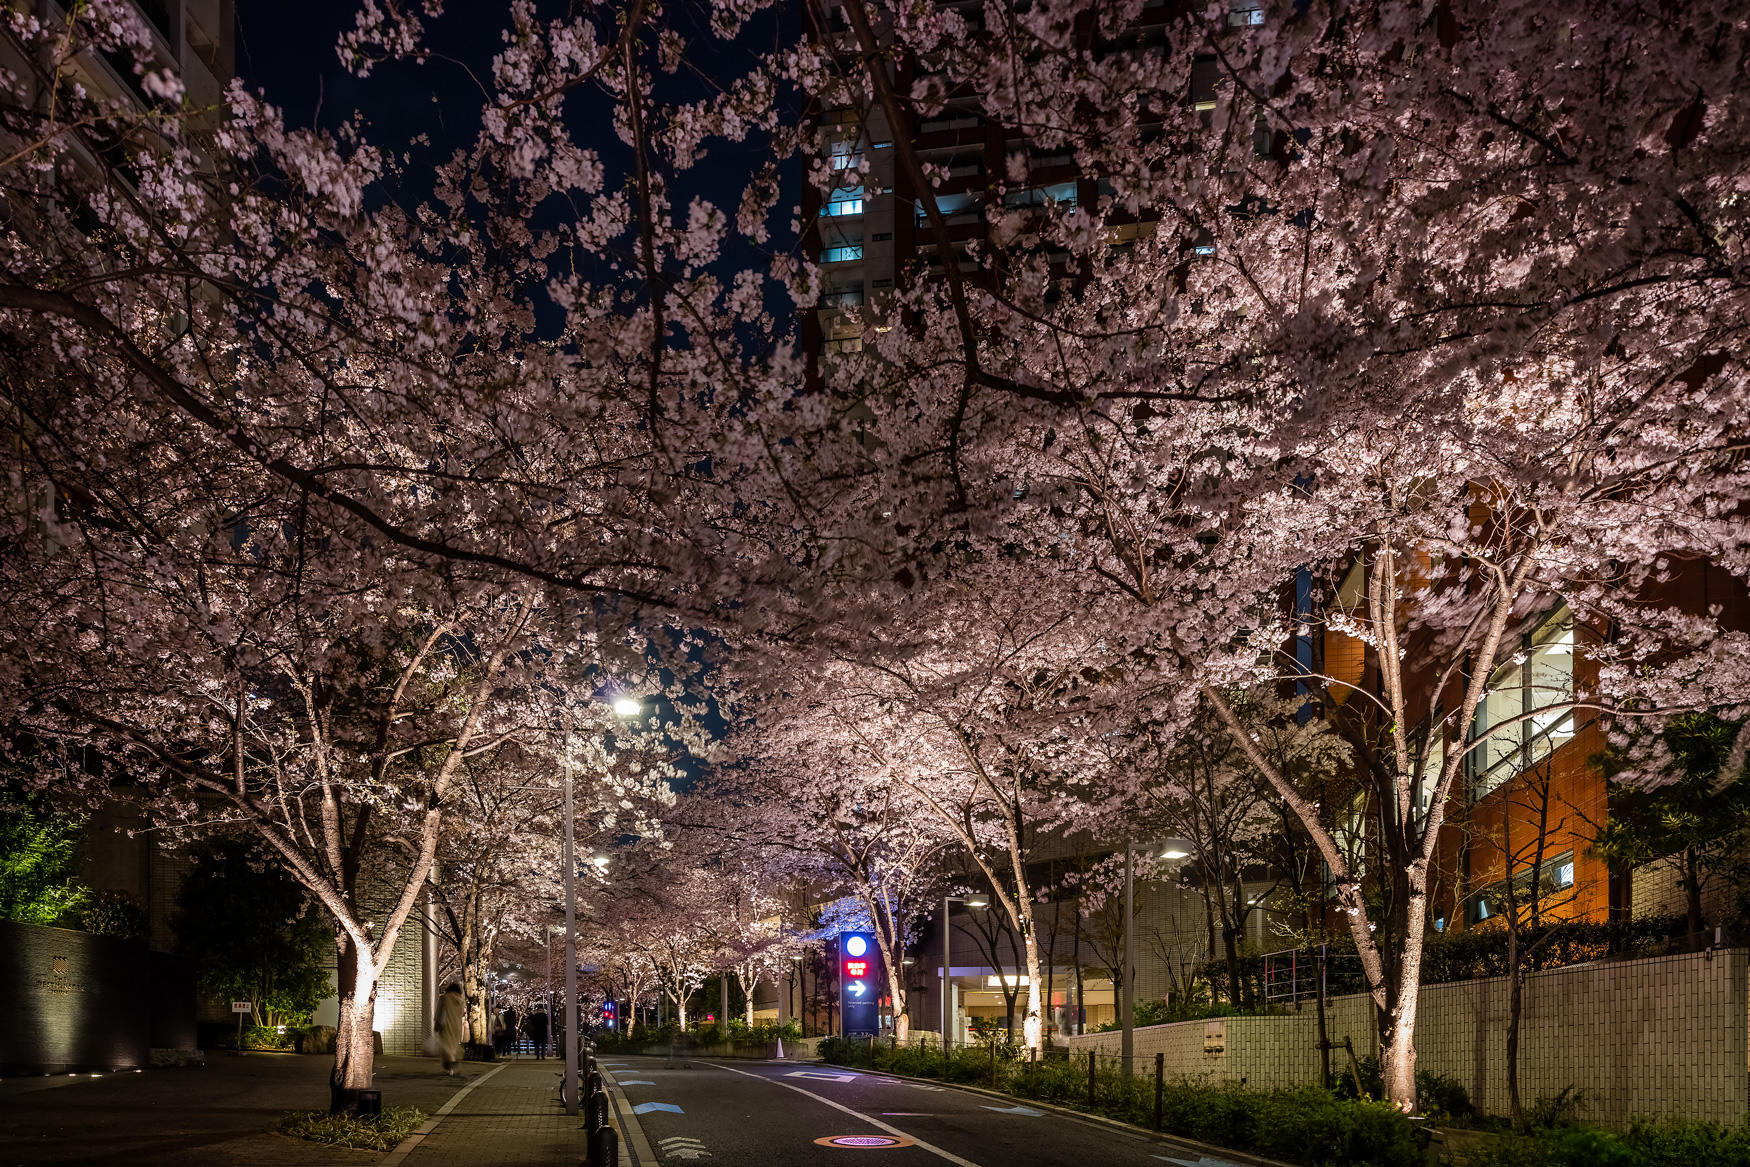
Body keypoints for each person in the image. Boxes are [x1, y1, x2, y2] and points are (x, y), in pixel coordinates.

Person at [435, 983, 466, 1076]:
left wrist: (436, 1024)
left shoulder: (444, 998)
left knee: (445, 1046)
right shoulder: (461, 1001)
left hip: (446, 1026)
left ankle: (450, 1065)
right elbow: (461, 1014)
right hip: (456, 1026)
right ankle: (452, 1064)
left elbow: (439, 1013)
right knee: (453, 1046)